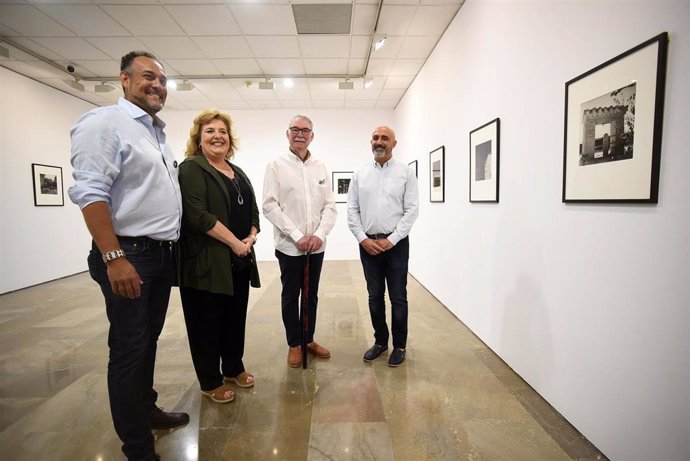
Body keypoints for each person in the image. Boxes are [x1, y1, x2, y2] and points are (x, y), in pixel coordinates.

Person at [69, 51, 189, 461]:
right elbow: (90, 193)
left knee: (147, 343)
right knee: (128, 349)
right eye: (147, 76)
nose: (157, 84)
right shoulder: (103, 123)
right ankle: (137, 448)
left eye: (162, 79)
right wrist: (114, 256)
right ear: (123, 79)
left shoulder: (155, 132)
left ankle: (147, 409)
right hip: (129, 254)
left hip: (158, 255)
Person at [177, 110, 261, 403]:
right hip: (206, 263)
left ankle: (233, 368)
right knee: (206, 322)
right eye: (210, 131)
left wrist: (249, 238)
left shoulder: (237, 172)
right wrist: (235, 243)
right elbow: (197, 215)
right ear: (198, 139)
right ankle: (210, 380)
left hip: (238, 261)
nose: (217, 136)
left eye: (222, 131)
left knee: (234, 318)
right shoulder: (191, 169)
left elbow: (253, 211)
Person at [262, 115, 337, 368]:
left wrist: (319, 235)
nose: (300, 134)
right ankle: (294, 343)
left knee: (311, 294)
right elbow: (270, 206)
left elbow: (329, 206)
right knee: (291, 296)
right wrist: (297, 235)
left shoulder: (320, 166)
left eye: (305, 130)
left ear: (312, 135)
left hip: (316, 246)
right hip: (289, 246)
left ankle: (308, 339)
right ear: (287, 134)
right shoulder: (276, 165)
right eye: (295, 129)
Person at [347, 126, 419, 367]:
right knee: (374, 296)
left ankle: (399, 345)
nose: (379, 142)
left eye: (385, 138)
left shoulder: (405, 173)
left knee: (398, 297)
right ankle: (380, 341)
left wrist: (392, 239)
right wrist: (362, 239)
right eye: (376, 138)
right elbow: (352, 210)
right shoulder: (360, 174)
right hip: (368, 244)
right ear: (371, 142)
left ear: (394, 144)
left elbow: (411, 210)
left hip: (395, 244)